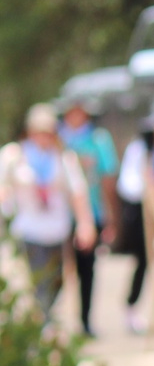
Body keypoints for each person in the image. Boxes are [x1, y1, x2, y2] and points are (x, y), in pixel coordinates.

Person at [1, 103, 96, 328]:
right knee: (35, 283)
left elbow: (78, 193)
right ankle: (40, 327)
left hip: (56, 231)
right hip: (28, 231)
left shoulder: (64, 158)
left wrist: (85, 224)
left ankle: (43, 321)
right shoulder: (15, 155)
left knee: (56, 282)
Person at [59, 97, 117, 337]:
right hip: (59, 217)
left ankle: (84, 320)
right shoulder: (56, 139)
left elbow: (107, 179)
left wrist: (110, 217)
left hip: (91, 213)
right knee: (56, 271)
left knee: (87, 270)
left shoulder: (98, 139)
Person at [117, 97, 154, 336]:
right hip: (142, 214)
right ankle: (132, 308)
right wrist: (152, 193)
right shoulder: (140, 150)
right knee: (144, 260)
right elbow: (129, 184)